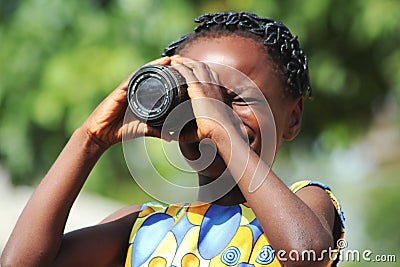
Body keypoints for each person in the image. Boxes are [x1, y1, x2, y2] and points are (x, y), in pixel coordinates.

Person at [1, 12, 345, 267]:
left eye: (237, 100)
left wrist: (223, 131)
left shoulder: (310, 201)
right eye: (197, 101)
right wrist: (88, 140)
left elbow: (305, 254)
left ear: (293, 117)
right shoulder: (142, 227)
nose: (211, 116)